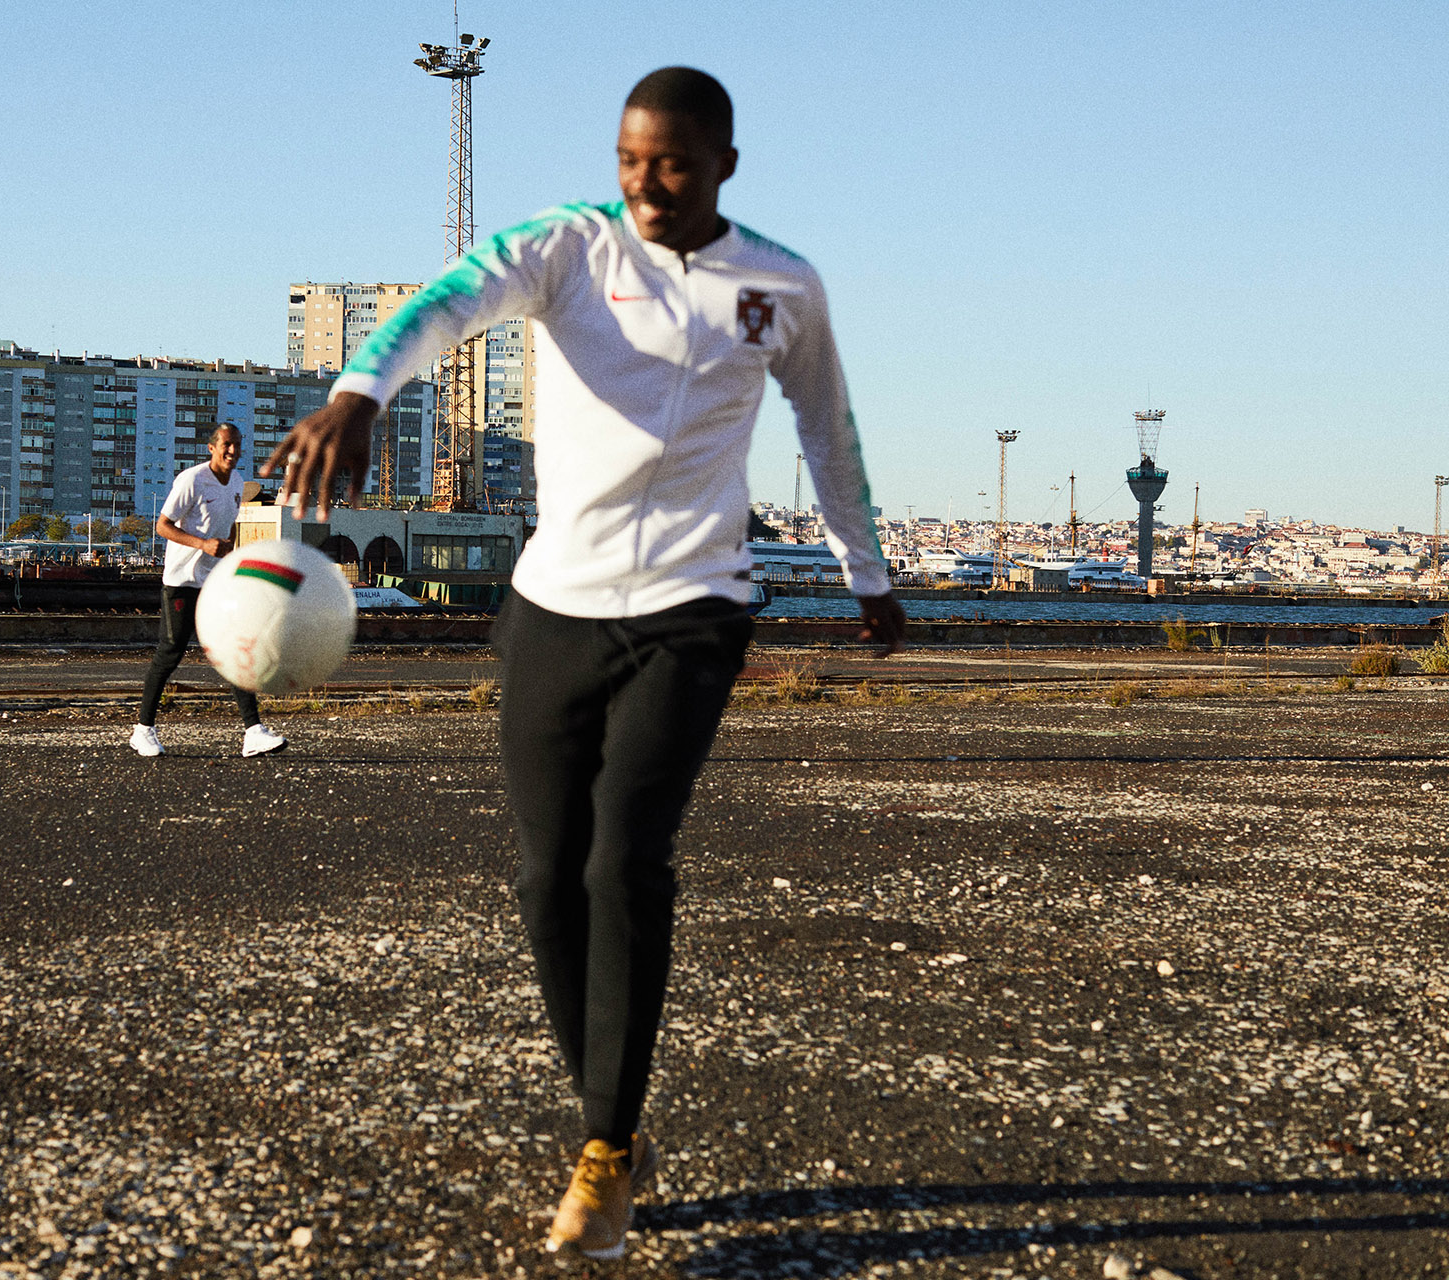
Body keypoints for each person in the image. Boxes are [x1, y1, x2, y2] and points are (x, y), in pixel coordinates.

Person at [265, 66, 904, 1258]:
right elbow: (444, 303)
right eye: (629, 161)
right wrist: (359, 391)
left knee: (625, 861)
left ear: (724, 164)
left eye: (672, 163)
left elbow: (829, 429)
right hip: (553, 602)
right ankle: (614, 1117)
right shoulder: (566, 246)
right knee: (545, 876)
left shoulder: (781, 284)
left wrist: (864, 568)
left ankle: (604, 1143)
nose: (646, 184)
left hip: (694, 607)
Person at [129, 425, 288, 759]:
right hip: (181, 581)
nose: (232, 451)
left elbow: (230, 526)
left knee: (234, 649)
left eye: (237, 445)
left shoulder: (237, 483)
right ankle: (143, 730)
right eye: (226, 445)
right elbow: (162, 526)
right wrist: (203, 544)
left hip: (213, 583)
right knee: (170, 652)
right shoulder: (192, 480)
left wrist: (231, 557)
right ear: (211, 448)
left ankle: (253, 732)